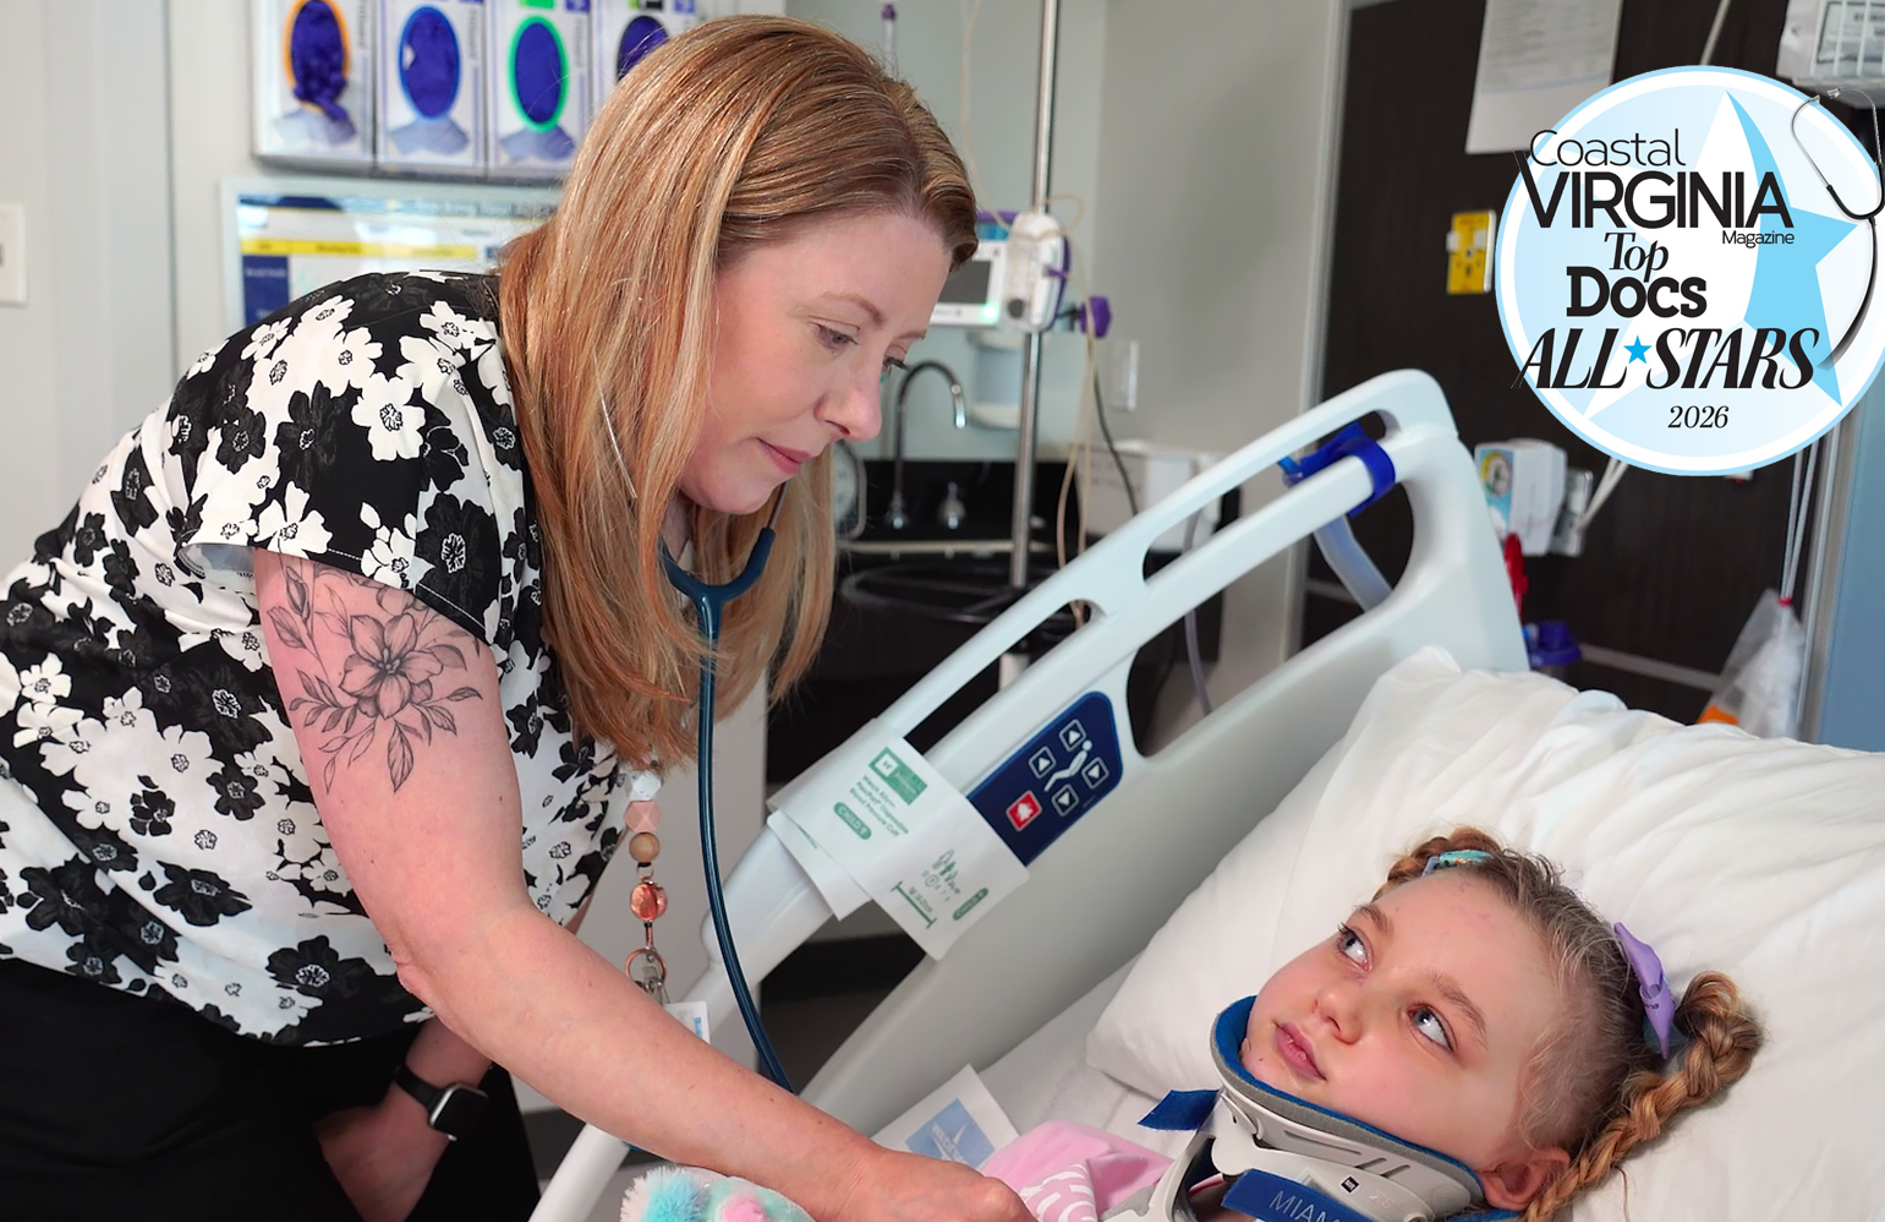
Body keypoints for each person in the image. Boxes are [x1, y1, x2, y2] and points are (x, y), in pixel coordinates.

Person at [0, 17, 1037, 1222]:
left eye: (891, 356)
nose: (860, 410)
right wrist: (857, 1179)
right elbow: (467, 936)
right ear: (664, 258)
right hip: (92, 971)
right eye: (834, 333)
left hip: (367, 989)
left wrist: (420, 1114)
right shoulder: (377, 401)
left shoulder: (678, 484)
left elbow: (552, 838)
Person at [981, 830, 1763, 1222]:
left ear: (1518, 1175)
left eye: (1429, 1024)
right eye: (1355, 946)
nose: (1337, 1002)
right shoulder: (1067, 1168)